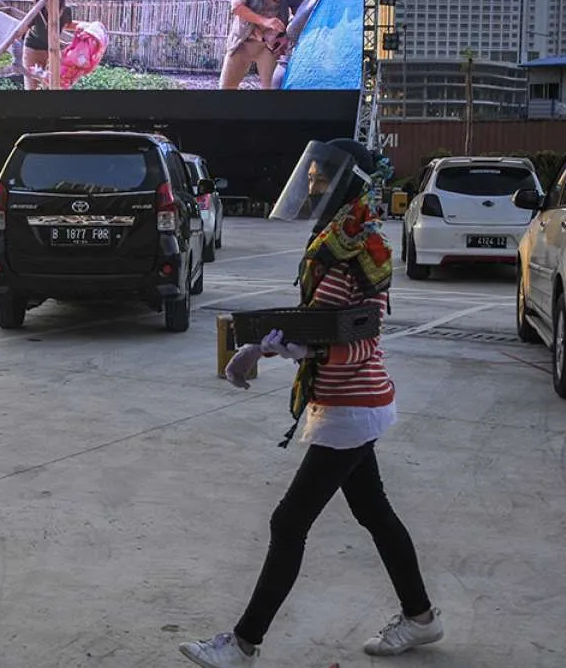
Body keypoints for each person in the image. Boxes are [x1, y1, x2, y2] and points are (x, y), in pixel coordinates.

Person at [178, 139, 443, 667]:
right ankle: (420, 617)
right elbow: (317, 325)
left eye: (321, 178)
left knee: (288, 522)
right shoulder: (337, 239)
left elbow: (360, 337)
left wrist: (286, 349)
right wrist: (263, 345)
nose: (312, 185)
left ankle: (244, 643)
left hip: (350, 405)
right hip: (345, 401)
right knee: (374, 511)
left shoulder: (363, 249)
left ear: (347, 183)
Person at [22, 5, 82, 90]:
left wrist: (86, 26)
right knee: (32, 86)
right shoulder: (39, 8)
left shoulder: (66, 10)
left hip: (53, 50)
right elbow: (23, 28)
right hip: (33, 50)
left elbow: (66, 25)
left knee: (57, 84)